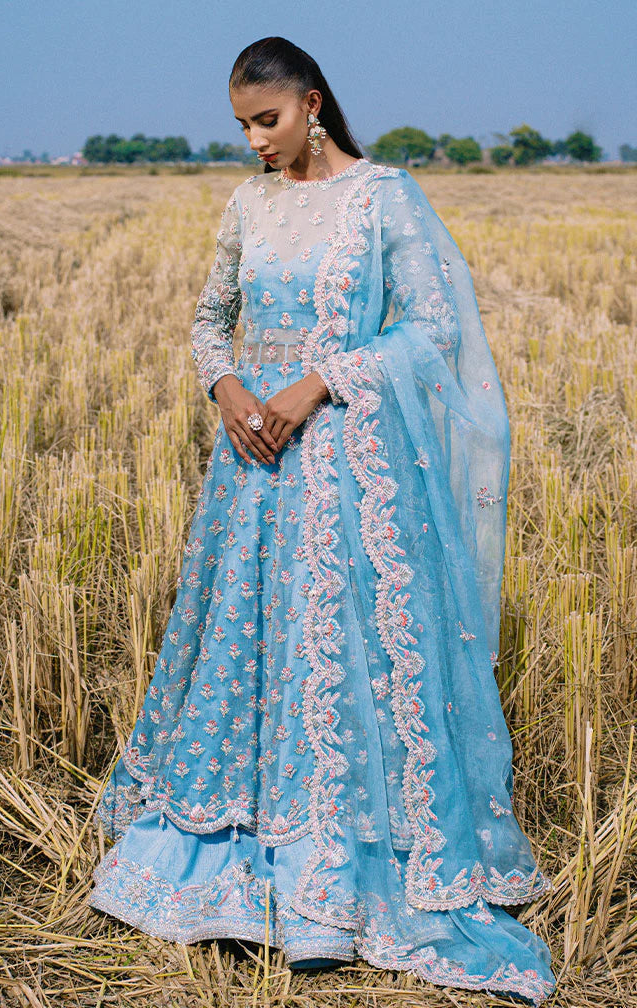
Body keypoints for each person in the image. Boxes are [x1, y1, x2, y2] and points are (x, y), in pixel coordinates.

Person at [88, 36, 556, 1005]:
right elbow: (209, 317)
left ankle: (330, 885)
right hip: (249, 474)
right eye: (241, 126)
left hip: (343, 472)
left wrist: (318, 382)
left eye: (268, 121)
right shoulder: (246, 205)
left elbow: (431, 330)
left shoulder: (381, 199)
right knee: (243, 657)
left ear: (310, 104)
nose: (255, 142)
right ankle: (228, 866)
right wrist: (222, 385)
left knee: (335, 666)